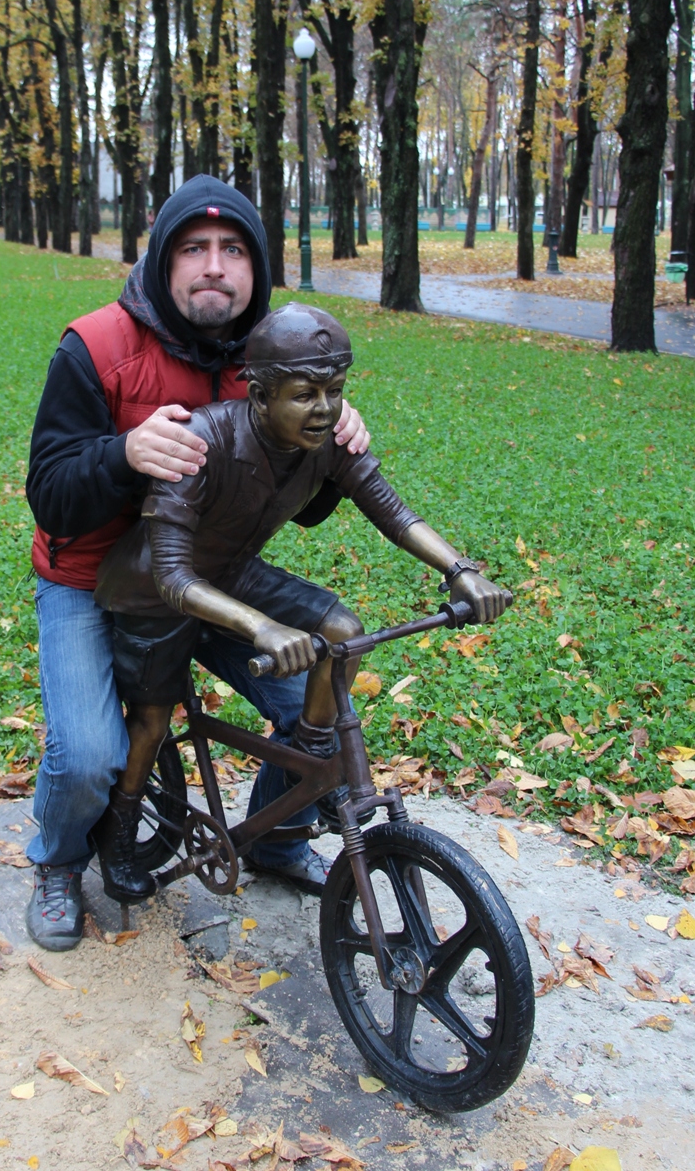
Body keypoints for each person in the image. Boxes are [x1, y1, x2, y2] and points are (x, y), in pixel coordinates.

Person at [24, 176, 369, 952]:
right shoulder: (96, 347)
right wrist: (123, 453)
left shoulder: (273, 356)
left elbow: (304, 509)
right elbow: (50, 495)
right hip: (91, 581)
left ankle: (277, 838)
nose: (214, 265)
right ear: (162, 260)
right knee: (89, 757)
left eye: (233, 249)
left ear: (256, 268)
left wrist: (327, 449)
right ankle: (59, 862)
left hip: (211, 575)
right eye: (193, 248)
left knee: (315, 705)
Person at [94, 302, 510, 876]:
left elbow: (391, 512)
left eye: (334, 391)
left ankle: (310, 757)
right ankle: (119, 830)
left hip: (231, 571)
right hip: (151, 590)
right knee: (151, 722)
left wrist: (459, 569)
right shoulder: (202, 441)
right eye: (305, 395)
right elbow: (172, 577)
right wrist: (262, 627)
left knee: (342, 630)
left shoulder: (327, 439)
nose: (324, 409)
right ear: (260, 396)